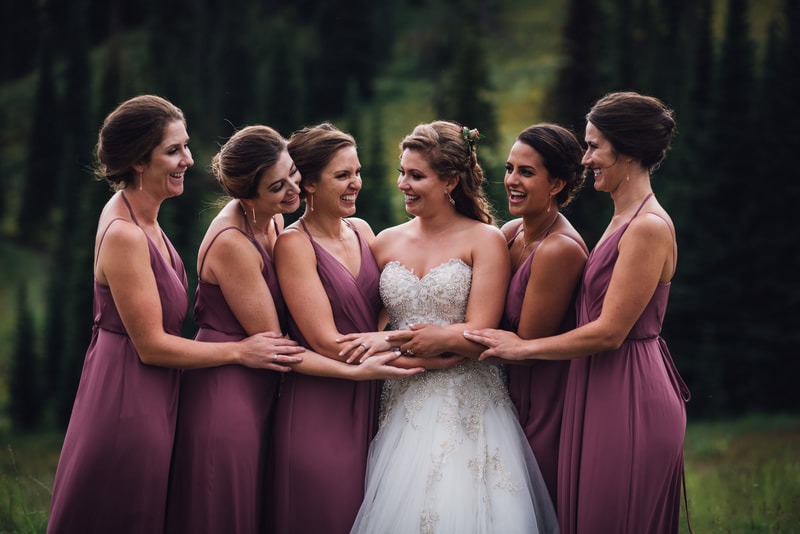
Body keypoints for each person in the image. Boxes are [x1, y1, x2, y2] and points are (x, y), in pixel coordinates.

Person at [47, 97, 303, 534]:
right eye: (173, 151)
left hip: (155, 389)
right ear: (136, 161)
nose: (188, 159)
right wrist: (242, 352)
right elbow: (150, 346)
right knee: (125, 508)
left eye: (185, 146)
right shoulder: (125, 234)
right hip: (128, 395)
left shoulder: (143, 218)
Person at [165, 125, 419, 534]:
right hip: (240, 385)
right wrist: (380, 361)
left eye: (292, 177)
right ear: (249, 195)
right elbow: (285, 344)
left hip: (324, 384)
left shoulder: (290, 223)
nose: (291, 192)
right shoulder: (246, 240)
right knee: (233, 506)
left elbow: (369, 308)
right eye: (278, 186)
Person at [465, 92, 691, 534]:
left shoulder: (647, 226)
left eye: (593, 147)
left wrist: (522, 347)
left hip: (630, 388)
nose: (585, 160)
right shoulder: (621, 216)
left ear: (627, 150)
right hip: (599, 381)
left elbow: (609, 332)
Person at [341, 121, 559, 533]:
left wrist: (398, 340)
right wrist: (392, 346)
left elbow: (480, 334)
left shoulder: (485, 239)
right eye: (402, 172)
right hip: (401, 400)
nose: (403, 183)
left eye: (416, 175)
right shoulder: (383, 242)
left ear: (451, 181)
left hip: (469, 403)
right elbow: (364, 325)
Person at [269, 123, 424, 534]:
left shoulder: (362, 231)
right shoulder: (294, 244)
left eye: (356, 172)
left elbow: (379, 316)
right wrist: (423, 350)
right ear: (310, 185)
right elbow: (327, 342)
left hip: (375, 393)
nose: (355, 183)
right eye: (342, 175)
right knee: (329, 513)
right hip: (321, 402)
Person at [499, 123, 588, 508]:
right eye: (509, 168)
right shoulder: (509, 232)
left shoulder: (559, 250)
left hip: (541, 397)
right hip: (503, 385)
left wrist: (447, 340)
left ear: (556, 184)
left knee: (533, 504)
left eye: (526, 172)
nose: (511, 181)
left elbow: (526, 346)